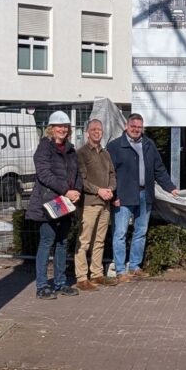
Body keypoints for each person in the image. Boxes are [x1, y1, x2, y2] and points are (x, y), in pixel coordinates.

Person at [108, 113, 179, 283]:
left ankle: (134, 266)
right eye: (133, 126)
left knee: (141, 232)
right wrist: (114, 195)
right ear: (126, 126)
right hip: (123, 196)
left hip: (144, 194)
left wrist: (170, 187)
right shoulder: (115, 146)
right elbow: (108, 173)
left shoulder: (149, 144)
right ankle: (119, 269)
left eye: (139, 127)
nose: (136, 130)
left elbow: (159, 169)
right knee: (120, 233)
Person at [26, 111, 82, 299]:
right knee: (46, 242)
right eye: (59, 126)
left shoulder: (71, 150)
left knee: (62, 242)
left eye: (65, 126)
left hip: (66, 204)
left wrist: (77, 192)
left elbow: (77, 174)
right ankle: (42, 286)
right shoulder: (44, 148)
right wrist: (66, 190)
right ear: (51, 128)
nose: (62, 129)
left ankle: (60, 283)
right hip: (49, 203)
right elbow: (44, 174)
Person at [75, 119, 118, 291]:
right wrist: (98, 190)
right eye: (93, 129)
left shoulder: (106, 154)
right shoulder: (82, 153)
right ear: (87, 132)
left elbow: (112, 174)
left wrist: (110, 189)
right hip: (89, 204)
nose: (96, 132)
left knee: (99, 241)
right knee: (84, 241)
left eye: (99, 129)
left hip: (105, 203)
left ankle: (97, 273)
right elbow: (81, 180)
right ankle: (81, 277)